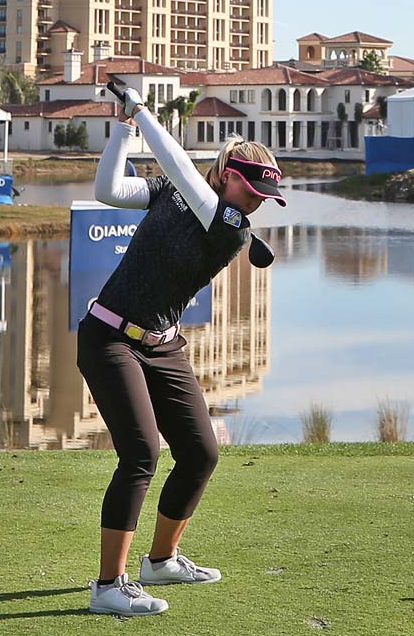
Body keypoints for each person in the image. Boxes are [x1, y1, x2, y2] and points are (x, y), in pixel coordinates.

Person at [77, 80, 284, 617]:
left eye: (266, 199)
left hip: (164, 346)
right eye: (254, 193)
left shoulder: (231, 230)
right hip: (109, 337)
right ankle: (108, 585)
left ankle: (161, 559)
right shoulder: (178, 195)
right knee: (141, 454)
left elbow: (181, 172)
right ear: (229, 177)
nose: (258, 205)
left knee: (200, 452)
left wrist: (141, 109)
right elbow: (109, 191)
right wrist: (124, 127)